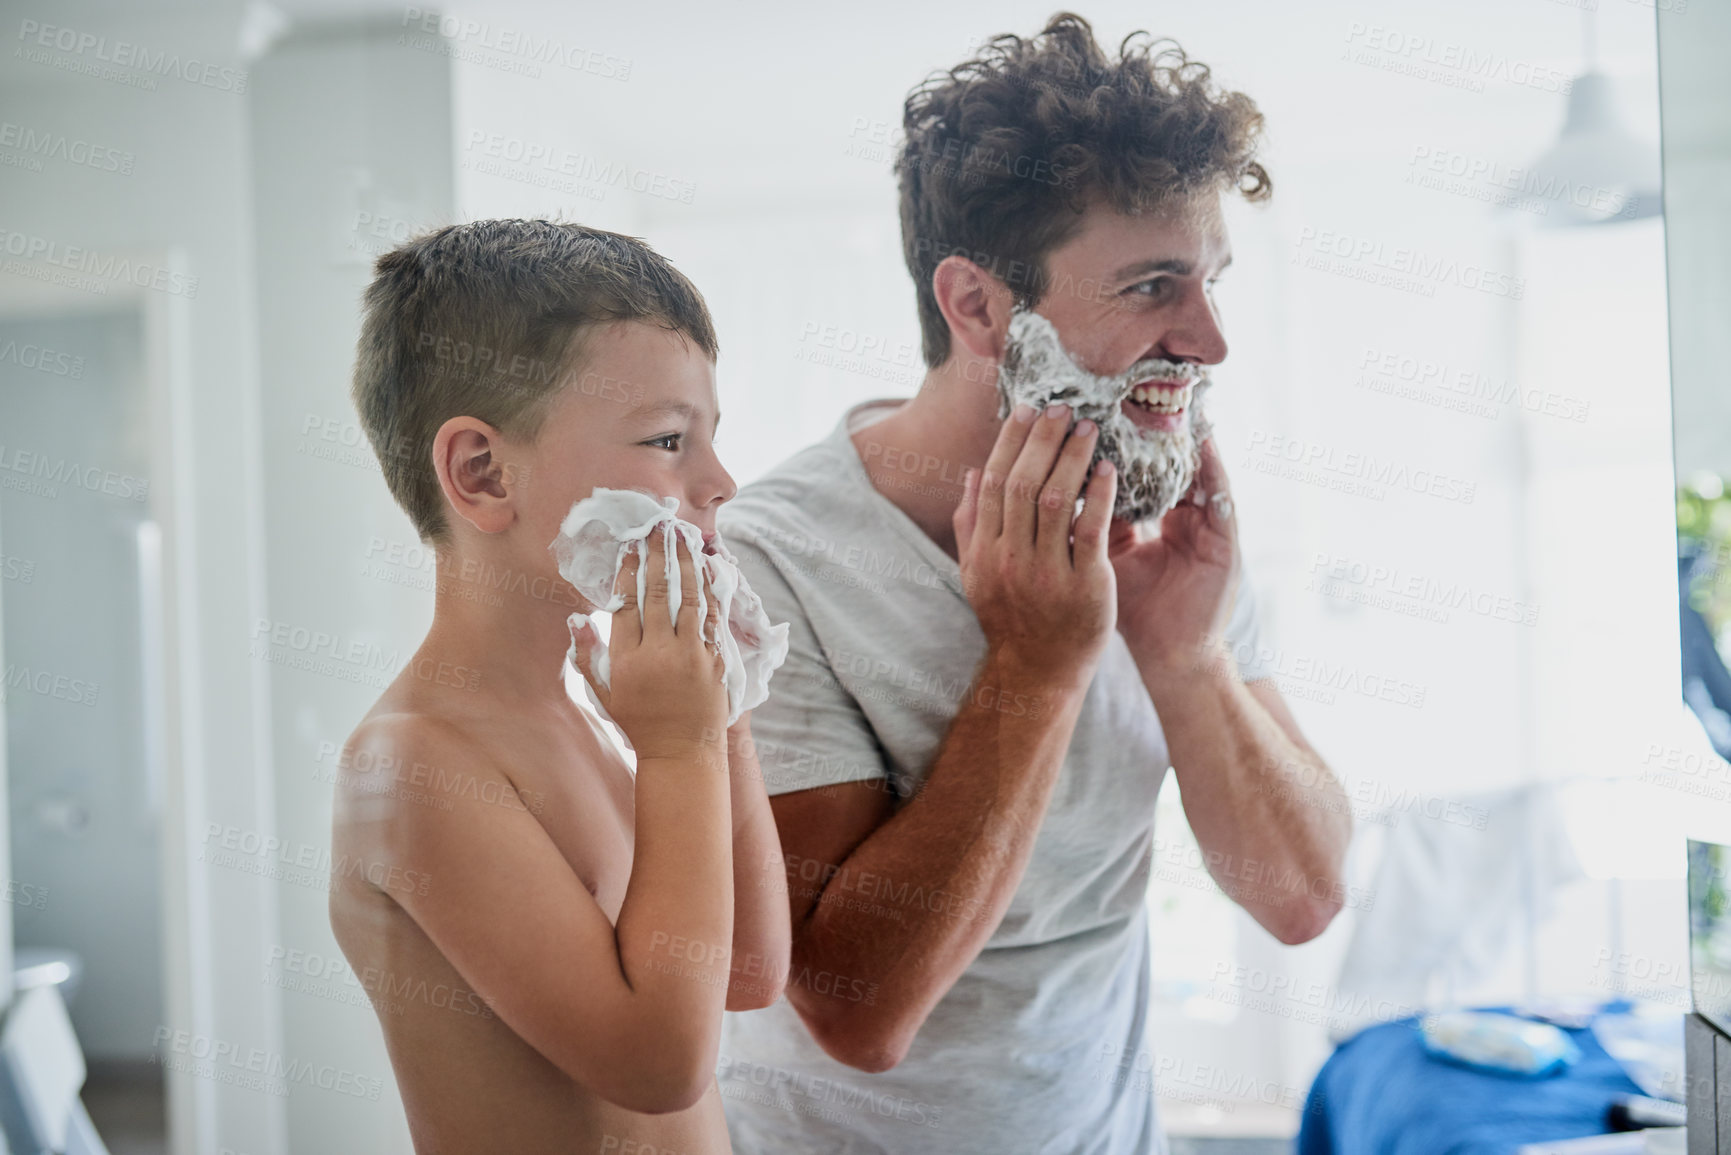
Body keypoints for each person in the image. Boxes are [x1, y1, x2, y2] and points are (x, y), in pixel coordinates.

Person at [714, 14, 1352, 1152]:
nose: (1208, 341)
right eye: (1155, 286)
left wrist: (1185, 654)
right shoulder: (773, 561)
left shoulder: (1159, 539)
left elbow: (1299, 899)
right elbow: (854, 1011)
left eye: (1211, 282)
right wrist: (1037, 667)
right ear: (977, 307)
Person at [328, 220, 789, 1154]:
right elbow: (660, 1065)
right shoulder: (413, 763)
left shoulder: (580, 711)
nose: (721, 481)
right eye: (668, 440)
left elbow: (747, 968)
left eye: (710, 440)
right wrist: (678, 746)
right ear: (483, 473)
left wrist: (721, 710)